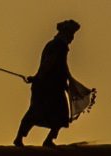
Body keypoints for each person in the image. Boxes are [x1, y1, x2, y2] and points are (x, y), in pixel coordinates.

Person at [13, 19, 84, 147]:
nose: (72, 39)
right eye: (71, 35)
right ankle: (30, 139)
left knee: (49, 113)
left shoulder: (54, 45)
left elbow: (59, 66)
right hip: (49, 87)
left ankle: (29, 138)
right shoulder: (59, 46)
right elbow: (49, 64)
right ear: (65, 34)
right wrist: (38, 77)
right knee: (44, 112)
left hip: (49, 85)